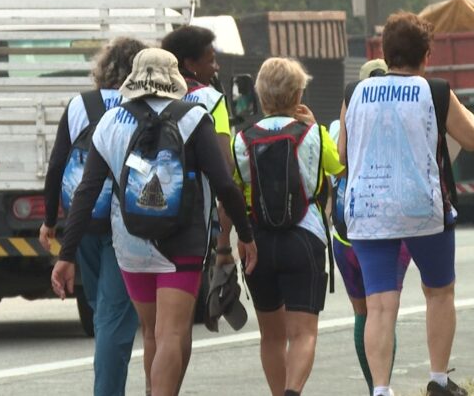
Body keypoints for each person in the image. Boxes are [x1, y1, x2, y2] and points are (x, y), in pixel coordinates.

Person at [51, 48, 258, 396]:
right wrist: (244, 234)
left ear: (133, 80)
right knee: (172, 334)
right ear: (174, 79)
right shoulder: (194, 117)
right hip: (183, 242)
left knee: (151, 334)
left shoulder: (111, 122)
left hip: (130, 242)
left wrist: (66, 254)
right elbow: (224, 183)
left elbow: (86, 193)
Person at [338, 12, 474, 396]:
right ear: (427, 54)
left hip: (369, 211)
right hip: (423, 209)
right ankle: (438, 379)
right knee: (439, 292)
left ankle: (382, 389)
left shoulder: (354, 94)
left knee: (381, 305)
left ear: (385, 53)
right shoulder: (433, 90)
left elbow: (342, 152)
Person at [38, 37, 146, 396]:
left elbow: (57, 166)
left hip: (83, 220)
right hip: (127, 225)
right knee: (114, 315)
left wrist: (50, 219)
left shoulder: (80, 105)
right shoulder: (144, 105)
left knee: (103, 308)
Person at [233, 57, 344, 396]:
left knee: (271, 336)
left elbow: (234, 192)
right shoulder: (314, 134)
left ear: (260, 96)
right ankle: (293, 392)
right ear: (298, 94)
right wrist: (315, 127)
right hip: (304, 239)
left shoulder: (241, 140)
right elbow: (338, 168)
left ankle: (277, 392)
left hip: (258, 243)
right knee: (303, 333)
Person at [329, 59, 413, 396]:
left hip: (348, 231)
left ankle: (374, 388)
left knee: (364, 313)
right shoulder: (406, 113)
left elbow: (335, 166)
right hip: (394, 228)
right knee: (385, 311)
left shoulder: (339, 124)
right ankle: (383, 386)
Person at [161, 26, 235, 264]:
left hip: (142, 215)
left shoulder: (148, 96)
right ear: (190, 63)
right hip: (193, 217)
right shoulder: (210, 99)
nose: (216, 67)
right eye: (211, 61)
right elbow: (226, 166)